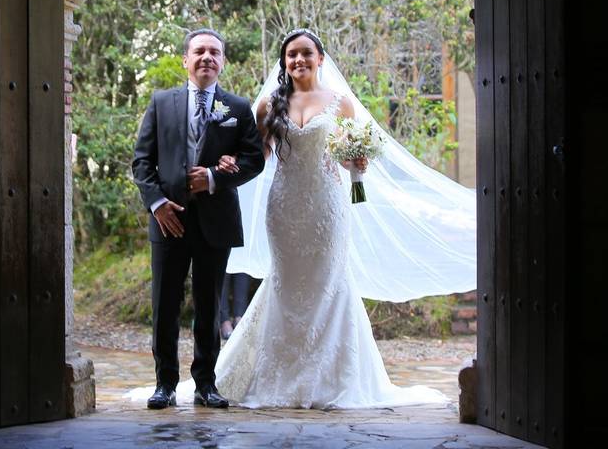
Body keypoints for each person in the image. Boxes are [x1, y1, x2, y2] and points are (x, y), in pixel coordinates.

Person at [210, 28, 476, 408]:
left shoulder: (341, 102)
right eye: (291, 55)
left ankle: (331, 377)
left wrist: (358, 166)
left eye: (305, 53)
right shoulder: (270, 104)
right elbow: (259, 157)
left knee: (329, 282)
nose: (298, 60)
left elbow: (352, 157)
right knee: (285, 283)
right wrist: (229, 164)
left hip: (327, 205)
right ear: (284, 62)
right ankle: (278, 375)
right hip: (284, 207)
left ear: (320, 58)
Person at [131, 28, 265, 410]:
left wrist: (214, 177)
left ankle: (206, 384)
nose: (207, 57)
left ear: (223, 62)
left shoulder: (237, 109)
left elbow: (253, 159)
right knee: (165, 305)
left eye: (215, 52)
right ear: (185, 60)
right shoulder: (161, 103)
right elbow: (142, 162)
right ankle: (165, 384)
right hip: (168, 219)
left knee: (209, 306)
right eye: (199, 51)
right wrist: (157, 204)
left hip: (215, 220)